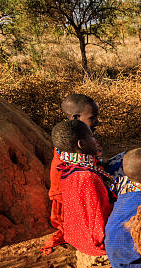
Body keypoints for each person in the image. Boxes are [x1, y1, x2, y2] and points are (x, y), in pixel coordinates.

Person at [54, 120, 115, 268]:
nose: (95, 141)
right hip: (93, 243)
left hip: (75, 235)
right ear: (81, 144)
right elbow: (98, 219)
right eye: (92, 137)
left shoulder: (68, 166)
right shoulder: (88, 177)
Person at [42, 93, 100, 254]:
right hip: (70, 203)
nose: (97, 122)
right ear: (75, 117)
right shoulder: (68, 152)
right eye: (93, 117)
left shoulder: (81, 140)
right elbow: (72, 190)